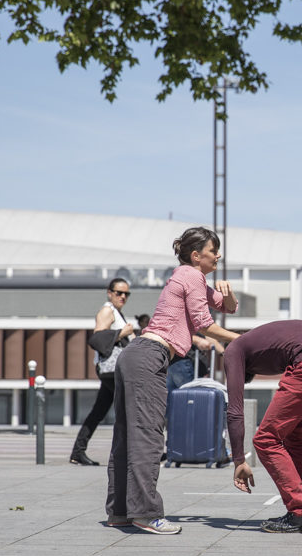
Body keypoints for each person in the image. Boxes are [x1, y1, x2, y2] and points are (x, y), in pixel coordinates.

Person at [107, 227, 239, 534]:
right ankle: (146, 514)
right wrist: (243, 341)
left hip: (135, 355)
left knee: (126, 435)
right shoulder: (192, 276)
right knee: (148, 436)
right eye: (213, 250)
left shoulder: (188, 277)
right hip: (150, 355)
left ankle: (120, 512)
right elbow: (205, 324)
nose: (218, 255)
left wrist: (228, 292)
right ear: (196, 255)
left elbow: (228, 307)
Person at [223, 320, 302, 532]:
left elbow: (235, 410)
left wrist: (238, 461)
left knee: (266, 439)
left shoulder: (234, 350)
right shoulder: (270, 341)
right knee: (295, 436)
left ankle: (300, 511)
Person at [69, 278, 137, 466]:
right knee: (130, 408)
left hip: (111, 370)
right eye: (119, 293)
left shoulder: (117, 312)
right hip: (112, 370)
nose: (123, 297)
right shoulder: (107, 311)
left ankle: (77, 452)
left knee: (98, 411)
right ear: (109, 293)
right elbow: (98, 337)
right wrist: (122, 334)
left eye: (126, 294)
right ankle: (134, 452)